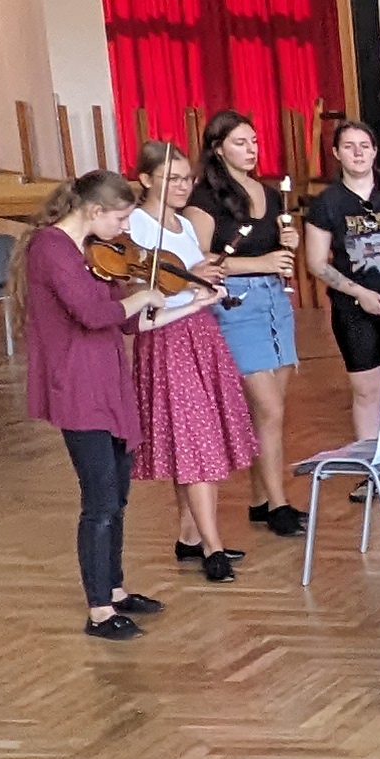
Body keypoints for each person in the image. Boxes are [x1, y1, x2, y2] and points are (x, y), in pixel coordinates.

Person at [21, 171, 161, 643]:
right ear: (94, 211)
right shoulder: (51, 249)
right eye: (120, 218)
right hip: (77, 385)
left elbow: (124, 323)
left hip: (107, 380)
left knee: (117, 494)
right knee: (99, 500)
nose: (124, 229)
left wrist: (179, 301)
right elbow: (93, 314)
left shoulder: (95, 253)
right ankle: (99, 611)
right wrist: (141, 295)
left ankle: (114, 590)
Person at [124, 138, 259, 582]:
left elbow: (190, 276)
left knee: (197, 439)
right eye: (172, 179)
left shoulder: (183, 224)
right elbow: (138, 290)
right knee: (195, 440)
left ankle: (190, 536)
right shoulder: (136, 225)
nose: (182, 186)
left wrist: (207, 281)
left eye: (186, 179)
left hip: (199, 330)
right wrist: (188, 280)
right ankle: (212, 547)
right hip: (165, 337)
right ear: (146, 180)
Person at [189, 112, 307, 535]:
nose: (251, 149)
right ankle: (279, 504)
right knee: (268, 407)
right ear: (218, 149)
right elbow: (198, 261)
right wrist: (262, 262)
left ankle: (260, 500)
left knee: (271, 412)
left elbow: (275, 251)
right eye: (240, 142)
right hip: (235, 304)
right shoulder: (205, 199)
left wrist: (289, 242)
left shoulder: (269, 193)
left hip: (274, 301)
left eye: (254, 141)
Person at [303, 120, 380, 418]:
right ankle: (369, 448)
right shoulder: (326, 203)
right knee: (366, 391)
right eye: (349, 147)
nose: (358, 153)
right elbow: (316, 262)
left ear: (375, 151)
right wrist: (360, 293)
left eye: (364, 146)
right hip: (353, 309)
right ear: (336, 153)